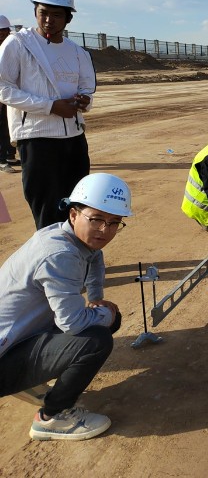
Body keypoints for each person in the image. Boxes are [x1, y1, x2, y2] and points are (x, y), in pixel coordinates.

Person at [0, 173, 132, 441]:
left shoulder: (62, 234)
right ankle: (52, 417)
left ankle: (43, 373)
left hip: (14, 339)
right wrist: (106, 311)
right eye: (96, 219)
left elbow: (95, 257)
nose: (105, 230)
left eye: (114, 222)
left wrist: (96, 296)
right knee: (96, 339)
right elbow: (73, 323)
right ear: (74, 214)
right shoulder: (60, 254)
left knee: (100, 321)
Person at [0, 0, 95, 228]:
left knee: (77, 204)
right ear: (35, 12)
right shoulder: (18, 45)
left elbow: (86, 88)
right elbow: (3, 88)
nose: (49, 20)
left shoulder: (77, 53)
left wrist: (85, 101)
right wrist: (50, 107)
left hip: (73, 138)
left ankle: (78, 257)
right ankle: (53, 261)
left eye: (56, 14)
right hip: (37, 138)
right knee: (47, 208)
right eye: (43, 13)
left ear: (68, 18)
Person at [0, 14, 18, 173]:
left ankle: (11, 155)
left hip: (10, 95)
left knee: (9, 126)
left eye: (4, 31)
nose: (2, 35)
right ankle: (1, 160)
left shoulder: (11, 46)